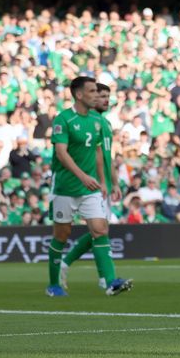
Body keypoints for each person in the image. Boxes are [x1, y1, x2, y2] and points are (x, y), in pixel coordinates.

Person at [46, 77, 131, 297]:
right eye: (93, 91)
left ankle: (110, 282)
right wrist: (83, 176)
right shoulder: (63, 119)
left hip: (90, 187)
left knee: (100, 229)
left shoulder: (96, 121)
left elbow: (98, 154)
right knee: (62, 235)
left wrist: (103, 181)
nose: (97, 95)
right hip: (65, 187)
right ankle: (54, 284)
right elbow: (61, 153)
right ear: (79, 95)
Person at [59, 83, 121, 290]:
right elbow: (96, 157)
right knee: (100, 230)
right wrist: (103, 181)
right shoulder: (90, 123)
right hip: (90, 183)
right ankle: (105, 277)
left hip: (102, 183)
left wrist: (115, 182)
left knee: (101, 230)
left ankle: (73, 266)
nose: (105, 100)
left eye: (107, 96)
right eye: (100, 95)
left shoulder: (104, 123)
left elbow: (107, 156)